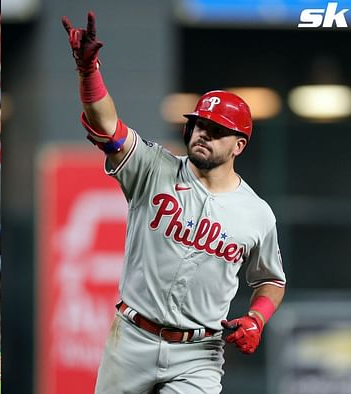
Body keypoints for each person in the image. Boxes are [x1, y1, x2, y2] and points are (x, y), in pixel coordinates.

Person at [62, 13, 286, 393]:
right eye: (200, 125)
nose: (203, 134)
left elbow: (270, 279)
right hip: (132, 338)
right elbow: (106, 126)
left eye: (217, 132)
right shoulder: (153, 167)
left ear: (239, 146)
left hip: (199, 353)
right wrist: (88, 71)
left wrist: (256, 319)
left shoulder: (257, 214)